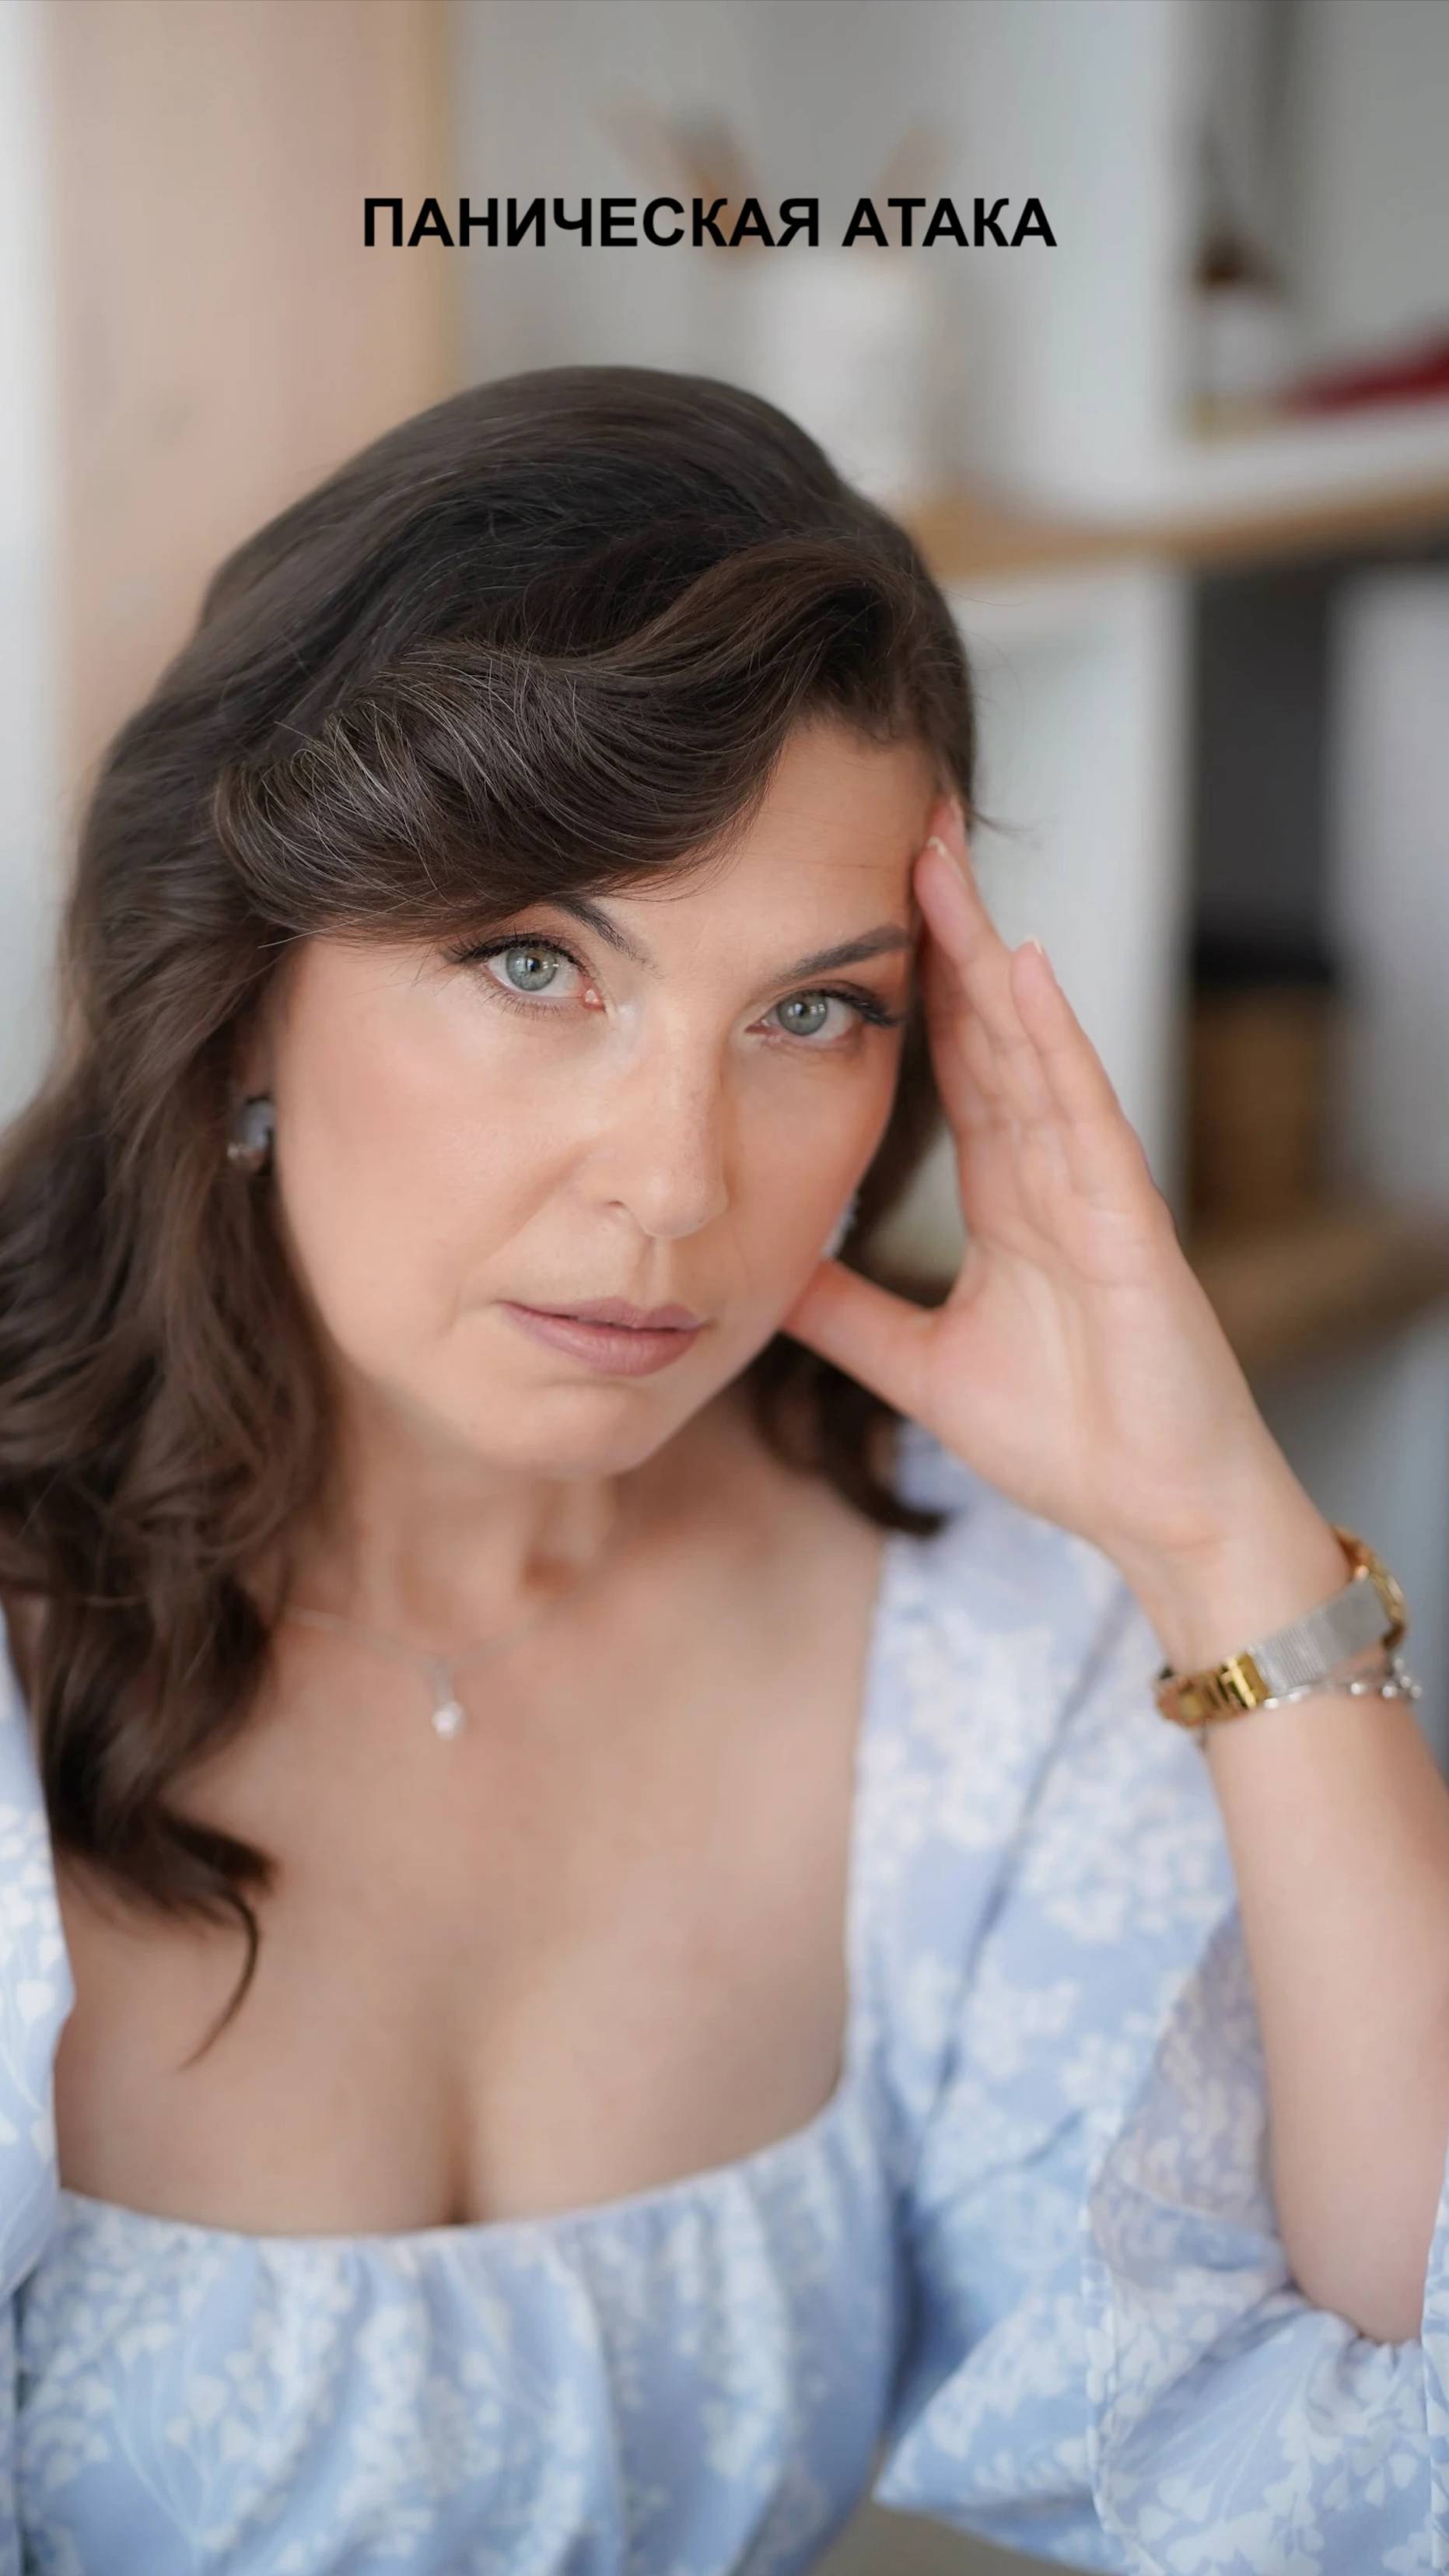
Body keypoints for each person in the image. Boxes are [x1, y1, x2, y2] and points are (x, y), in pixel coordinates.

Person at [0, 363, 1445, 2576]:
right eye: (534, 963)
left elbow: (1365, 2453)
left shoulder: (973, 1628)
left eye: (810, 1011)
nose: (676, 1184)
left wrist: (1220, 1543)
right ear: (241, 982)